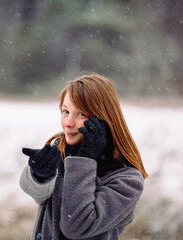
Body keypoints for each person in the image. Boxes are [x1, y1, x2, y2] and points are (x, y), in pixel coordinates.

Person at [20, 73, 148, 240]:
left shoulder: (128, 181)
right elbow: (35, 193)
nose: (68, 122)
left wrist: (85, 160)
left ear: (103, 119)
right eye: (65, 111)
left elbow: (76, 226)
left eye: (81, 114)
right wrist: (40, 175)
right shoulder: (62, 150)